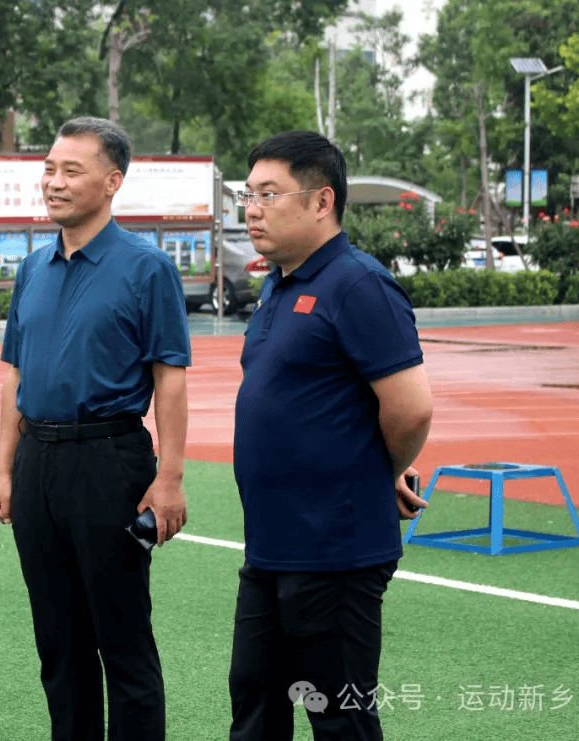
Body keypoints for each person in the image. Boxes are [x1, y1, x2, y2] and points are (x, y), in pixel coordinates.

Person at [0, 116, 191, 741]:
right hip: (37, 466)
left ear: (112, 182)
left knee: (121, 640)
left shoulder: (147, 268)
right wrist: (4, 467)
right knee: (59, 642)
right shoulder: (33, 268)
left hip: (110, 462)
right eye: (49, 168)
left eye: (71, 170)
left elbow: (171, 379)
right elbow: (15, 376)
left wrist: (170, 480)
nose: (53, 181)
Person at [228, 130, 434, 741]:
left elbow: (412, 409)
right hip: (270, 548)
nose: (252, 208)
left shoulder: (358, 284)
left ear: (322, 201)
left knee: (339, 718)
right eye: (249, 193)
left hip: (335, 551)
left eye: (269, 193)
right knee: (256, 708)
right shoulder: (279, 284)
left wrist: (379, 470)